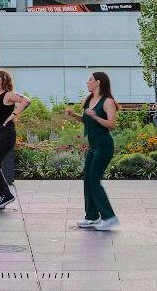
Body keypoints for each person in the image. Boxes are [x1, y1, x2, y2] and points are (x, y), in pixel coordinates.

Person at [64, 72, 119, 231]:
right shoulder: (88, 100)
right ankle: (92, 216)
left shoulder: (107, 101)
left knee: (94, 180)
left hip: (104, 145)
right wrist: (74, 115)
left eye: (90, 80)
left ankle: (109, 218)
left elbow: (112, 124)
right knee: (87, 178)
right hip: (93, 145)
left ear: (98, 83)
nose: (87, 82)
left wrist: (96, 117)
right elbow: (86, 119)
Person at [0, 70, 31, 210]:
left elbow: (26, 100)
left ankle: (6, 195)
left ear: (3, 80)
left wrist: (14, 113)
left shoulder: (8, 95)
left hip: (6, 133)